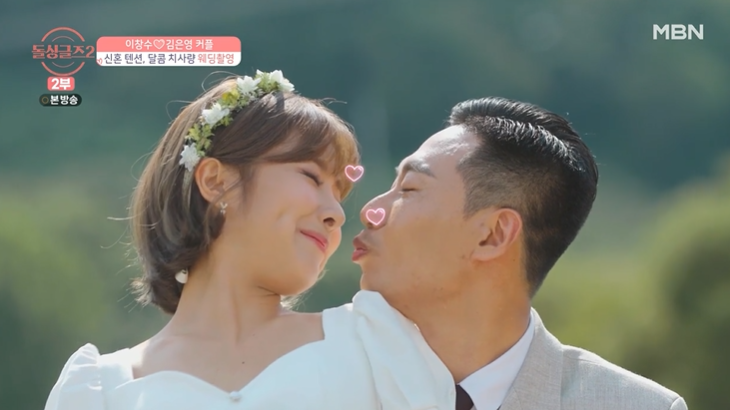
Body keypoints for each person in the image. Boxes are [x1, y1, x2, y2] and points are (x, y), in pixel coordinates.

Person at [43, 70, 456, 410]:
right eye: (312, 177)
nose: (336, 213)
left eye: (339, 193)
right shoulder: (98, 391)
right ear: (215, 181)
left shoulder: (374, 345)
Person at [353, 97, 689, 410]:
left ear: (494, 234)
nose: (370, 210)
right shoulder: (330, 384)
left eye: (408, 189)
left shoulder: (636, 405)